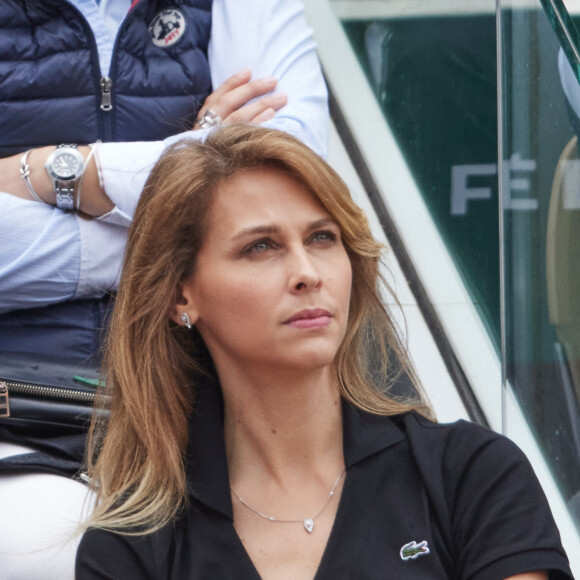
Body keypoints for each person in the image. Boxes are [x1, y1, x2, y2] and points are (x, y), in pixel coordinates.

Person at [75, 125, 572, 579]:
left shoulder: (472, 473)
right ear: (182, 294)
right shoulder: (131, 546)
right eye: (260, 247)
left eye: (322, 238)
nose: (307, 272)